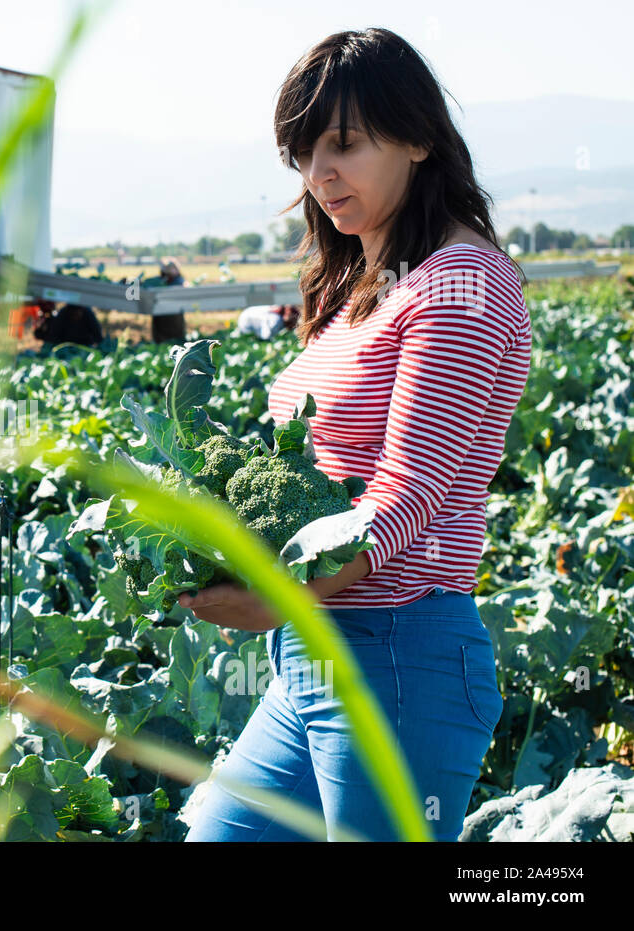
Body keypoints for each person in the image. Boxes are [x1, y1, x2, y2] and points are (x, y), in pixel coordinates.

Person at [180, 27, 530, 843]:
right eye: (303, 154)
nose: (319, 176)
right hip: (316, 656)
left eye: (342, 145)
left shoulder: (460, 285)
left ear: (415, 137)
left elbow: (405, 496)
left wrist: (273, 595)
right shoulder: (363, 286)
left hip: (398, 661)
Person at [235, 303, 301, 340]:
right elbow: (266, 336)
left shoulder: (277, 312)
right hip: (245, 324)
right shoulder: (277, 321)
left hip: (245, 315)